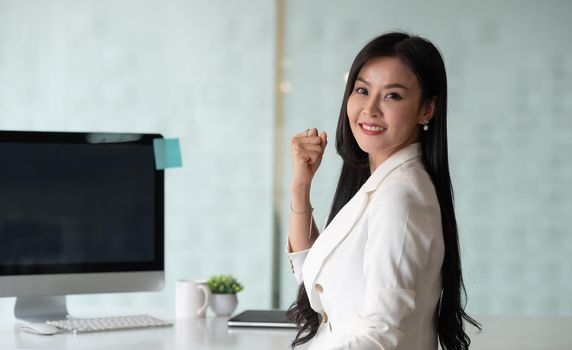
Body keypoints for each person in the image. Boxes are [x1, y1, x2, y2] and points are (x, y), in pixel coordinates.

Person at [285, 32, 480, 350]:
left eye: (392, 96)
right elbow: (317, 281)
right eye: (362, 90)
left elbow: (382, 337)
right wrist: (301, 187)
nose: (370, 109)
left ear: (426, 110)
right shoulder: (383, 184)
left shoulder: (399, 199)